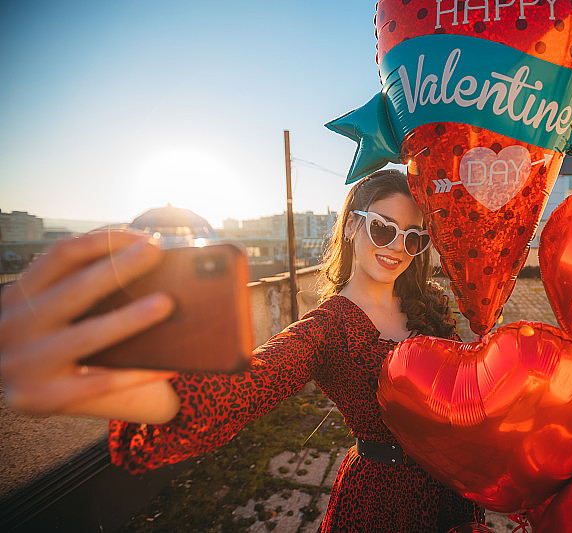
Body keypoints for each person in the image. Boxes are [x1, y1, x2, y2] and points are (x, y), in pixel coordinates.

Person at [0, 170, 485, 532]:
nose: (397, 246)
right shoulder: (330, 325)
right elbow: (248, 384)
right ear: (353, 226)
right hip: (383, 503)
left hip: (450, 487)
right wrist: (99, 381)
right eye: (383, 228)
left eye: (414, 238)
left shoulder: (425, 304)